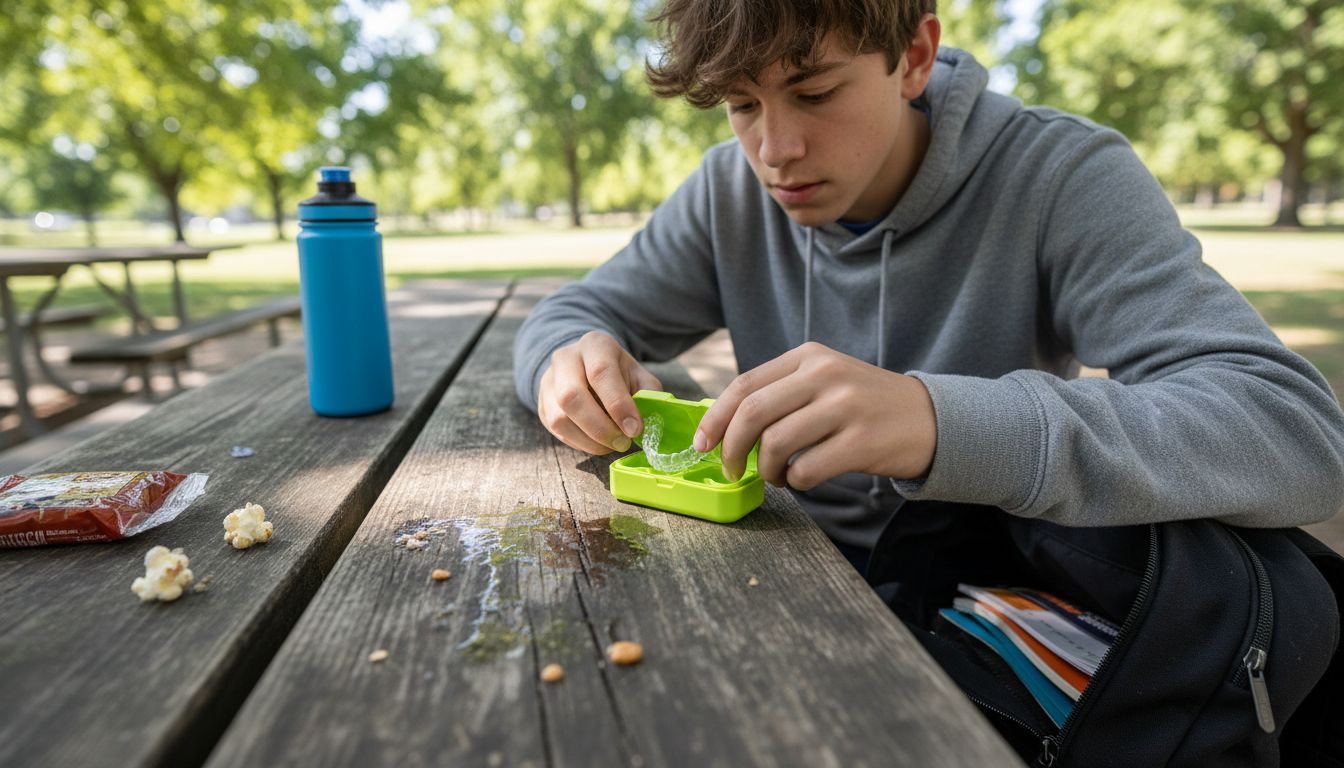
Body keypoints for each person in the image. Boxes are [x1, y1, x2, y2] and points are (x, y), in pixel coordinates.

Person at [511, 0, 1344, 572]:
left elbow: (1297, 435)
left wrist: (937, 421)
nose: (774, 149)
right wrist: (566, 362)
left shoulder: (1062, 175)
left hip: (988, 601)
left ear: (912, 57)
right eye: (739, 103)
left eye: (814, 91)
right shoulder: (726, 191)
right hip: (781, 573)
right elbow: (578, 312)